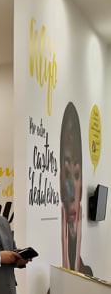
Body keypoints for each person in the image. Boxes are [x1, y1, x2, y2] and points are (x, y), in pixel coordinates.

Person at [59, 102, 93, 276]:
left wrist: (74, 265)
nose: (70, 192)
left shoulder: (88, 272)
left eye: (77, 175)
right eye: (65, 173)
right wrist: (66, 263)